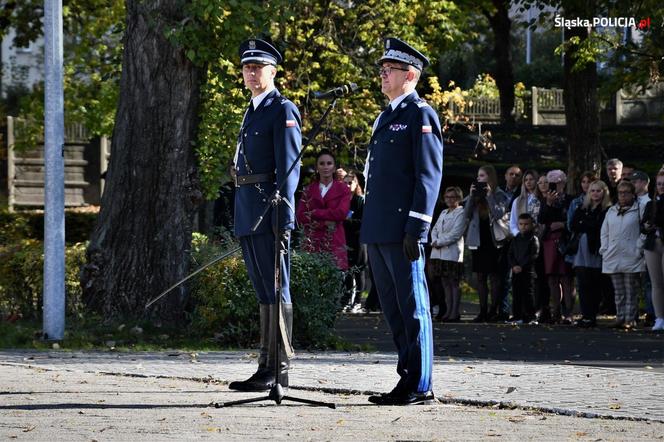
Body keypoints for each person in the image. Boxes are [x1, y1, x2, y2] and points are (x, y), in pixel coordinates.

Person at [361, 37, 443, 406]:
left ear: (409, 75)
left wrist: (417, 227)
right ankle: (405, 377)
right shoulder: (386, 116)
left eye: (389, 69)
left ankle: (421, 383)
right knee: (393, 309)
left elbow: (428, 176)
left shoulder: (420, 114)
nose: (382, 74)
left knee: (413, 307)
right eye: (381, 69)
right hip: (378, 228)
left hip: (402, 230)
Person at [229, 38, 301, 392]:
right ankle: (265, 365)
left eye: (258, 67)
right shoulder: (253, 108)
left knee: (277, 286)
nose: (252, 73)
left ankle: (280, 368)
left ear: (273, 71)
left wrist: (284, 216)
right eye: (247, 67)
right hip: (249, 208)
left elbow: (289, 167)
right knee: (262, 289)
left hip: (270, 210)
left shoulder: (282, 109)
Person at [464, 164, 511, 322]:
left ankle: (493, 310)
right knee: (480, 277)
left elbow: (498, 214)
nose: (479, 179)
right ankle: (482, 311)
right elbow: (466, 214)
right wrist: (471, 196)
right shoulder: (474, 195)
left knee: (495, 277)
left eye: (482, 176)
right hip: (478, 240)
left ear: (490, 177)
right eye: (478, 176)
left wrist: (489, 195)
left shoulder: (500, 194)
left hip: (494, 241)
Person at [296, 149, 352, 271]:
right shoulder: (308, 190)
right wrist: (325, 222)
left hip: (335, 242)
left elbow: (341, 213)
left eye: (329, 163)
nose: (325, 167)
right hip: (312, 243)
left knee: (335, 285)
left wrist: (315, 212)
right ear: (317, 167)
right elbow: (300, 216)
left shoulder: (344, 189)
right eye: (322, 163)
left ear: (334, 167)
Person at [600, 180, 645, 329]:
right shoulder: (611, 211)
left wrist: (638, 248)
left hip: (631, 255)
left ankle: (630, 318)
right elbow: (604, 232)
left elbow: (644, 231)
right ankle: (619, 317)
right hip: (613, 255)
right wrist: (604, 249)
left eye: (626, 192)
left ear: (632, 194)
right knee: (618, 291)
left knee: (631, 290)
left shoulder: (639, 209)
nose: (623, 195)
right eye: (620, 192)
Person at [570, 180, 611, 327]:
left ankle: (592, 315)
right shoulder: (582, 208)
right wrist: (587, 224)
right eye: (592, 190)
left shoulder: (607, 210)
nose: (595, 193)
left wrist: (585, 224)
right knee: (583, 283)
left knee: (594, 284)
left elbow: (598, 227)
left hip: (595, 250)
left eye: (598, 190)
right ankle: (585, 315)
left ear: (604, 192)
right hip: (581, 251)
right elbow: (573, 224)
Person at [538, 169, 574, 324]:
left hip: (565, 240)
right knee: (552, 277)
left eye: (557, 183)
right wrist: (549, 204)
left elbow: (574, 220)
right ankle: (556, 313)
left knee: (566, 278)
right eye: (551, 182)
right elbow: (541, 219)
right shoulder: (544, 201)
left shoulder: (571, 200)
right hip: (549, 241)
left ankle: (568, 314)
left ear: (564, 183)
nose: (554, 186)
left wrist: (563, 224)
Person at [430, 187, 466, 322]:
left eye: (453, 197)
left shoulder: (461, 212)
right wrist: (434, 240)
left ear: (459, 199)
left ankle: (454, 312)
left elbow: (456, 233)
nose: (450, 200)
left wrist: (439, 241)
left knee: (453, 282)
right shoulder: (444, 212)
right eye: (447, 197)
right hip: (438, 252)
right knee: (445, 282)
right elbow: (434, 229)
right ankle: (447, 310)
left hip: (452, 252)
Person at [342, 169, 368, 312]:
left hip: (358, 239)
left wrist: (347, 221)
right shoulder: (342, 200)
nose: (347, 185)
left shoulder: (360, 200)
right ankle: (346, 299)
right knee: (347, 271)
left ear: (356, 184)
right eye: (344, 183)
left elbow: (364, 221)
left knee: (359, 270)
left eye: (350, 183)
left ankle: (358, 301)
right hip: (345, 238)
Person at [641, 171, 664, 331]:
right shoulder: (651, 204)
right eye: (659, 184)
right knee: (656, 283)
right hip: (652, 243)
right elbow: (643, 224)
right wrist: (647, 226)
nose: (661, 187)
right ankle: (659, 318)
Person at [507, 213, 540, 324]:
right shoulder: (516, 239)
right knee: (516, 293)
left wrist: (522, 266)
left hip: (528, 271)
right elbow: (510, 254)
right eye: (521, 224)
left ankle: (530, 316)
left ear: (531, 225)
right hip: (516, 270)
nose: (523, 226)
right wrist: (514, 265)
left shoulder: (533, 239)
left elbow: (533, 255)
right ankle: (517, 315)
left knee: (528, 294)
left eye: (526, 224)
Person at [510, 170, 541, 237]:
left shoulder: (541, 198)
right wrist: (518, 234)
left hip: (541, 235)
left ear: (536, 181)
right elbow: (513, 222)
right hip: (522, 236)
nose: (528, 182)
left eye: (531, 179)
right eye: (526, 180)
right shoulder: (518, 201)